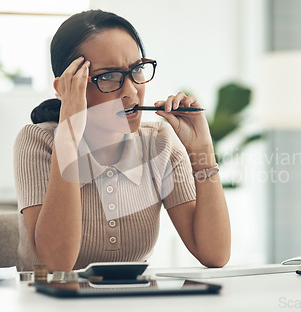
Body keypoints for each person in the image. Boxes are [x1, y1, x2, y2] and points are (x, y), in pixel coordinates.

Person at [13, 9, 230, 272]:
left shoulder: (159, 142)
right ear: (65, 88)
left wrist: (202, 150)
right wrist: (68, 137)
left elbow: (214, 254)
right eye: (108, 76)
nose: (131, 91)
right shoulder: (38, 141)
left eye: (137, 70)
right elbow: (58, 264)